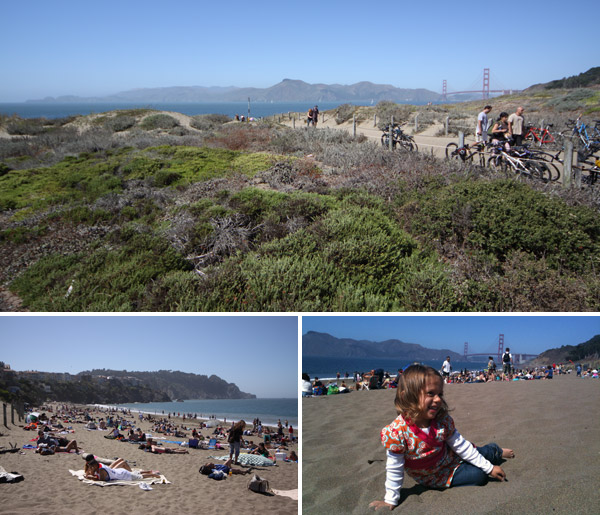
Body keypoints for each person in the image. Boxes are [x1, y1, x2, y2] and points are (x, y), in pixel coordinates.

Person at [369, 365, 514, 511]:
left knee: (482, 453)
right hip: (436, 476)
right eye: (431, 393)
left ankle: (496, 451)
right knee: (479, 477)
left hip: (451, 455)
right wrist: (390, 499)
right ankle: (485, 461)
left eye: (440, 394)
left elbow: (461, 446)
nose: (438, 399)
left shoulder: (442, 421)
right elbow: (394, 468)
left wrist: (489, 468)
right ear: (407, 396)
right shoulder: (397, 433)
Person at [84, 455, 160, 481]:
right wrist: (90, 473)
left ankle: (152, 475)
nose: (90, 469)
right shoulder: (99, 464)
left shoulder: (101, 471)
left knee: (139, 477)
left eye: (91, 468)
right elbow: (91, 473)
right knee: (135, 473)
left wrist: (89, 476)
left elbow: (99, 479)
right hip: (120, 471)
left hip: (124, 475)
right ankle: (150, 472)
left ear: (94, 466)